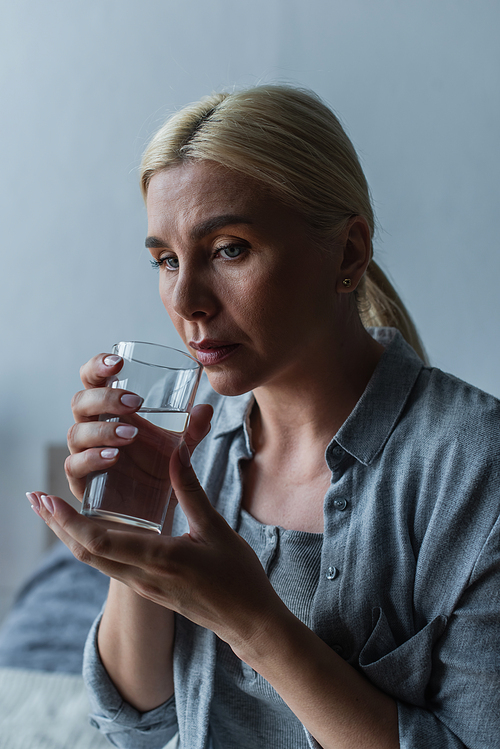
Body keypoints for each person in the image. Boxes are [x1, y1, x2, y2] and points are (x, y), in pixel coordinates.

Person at [27, 85, 500, 749]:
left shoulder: (477, 471)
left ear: (347, 253)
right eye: (165, 259)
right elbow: (136, 723)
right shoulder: (192, 447)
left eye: (228, 248)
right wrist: (137, 525)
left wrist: (252, 621)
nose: (187, 299)